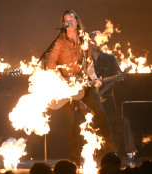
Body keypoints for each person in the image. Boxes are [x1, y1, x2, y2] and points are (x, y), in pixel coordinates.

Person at [47, 10, 115, 164]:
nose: (68, 22)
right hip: (65, 88)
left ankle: (112, 155)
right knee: (71, 124)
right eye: (65, 20)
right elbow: (50, 65)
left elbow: (89, 64)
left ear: (77, 21)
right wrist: (62, 82)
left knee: (100, 112)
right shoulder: (59, 42)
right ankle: (74, 160)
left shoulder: (84, 40)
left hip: (83, 84)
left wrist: (95, 79)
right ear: (63, 23)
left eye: (71, 19)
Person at [89, 31, 124, 156]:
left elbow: (120, 76)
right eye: (95, 39)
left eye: (100, 40)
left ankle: (114, 155)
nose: (98, 42)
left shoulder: (110, 58)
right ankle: (93, 155)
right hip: (90, 100)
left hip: (108, 99)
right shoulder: (86, 60)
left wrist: (120, 78)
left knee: (113, 127)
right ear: (90, 42)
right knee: (92, 128)